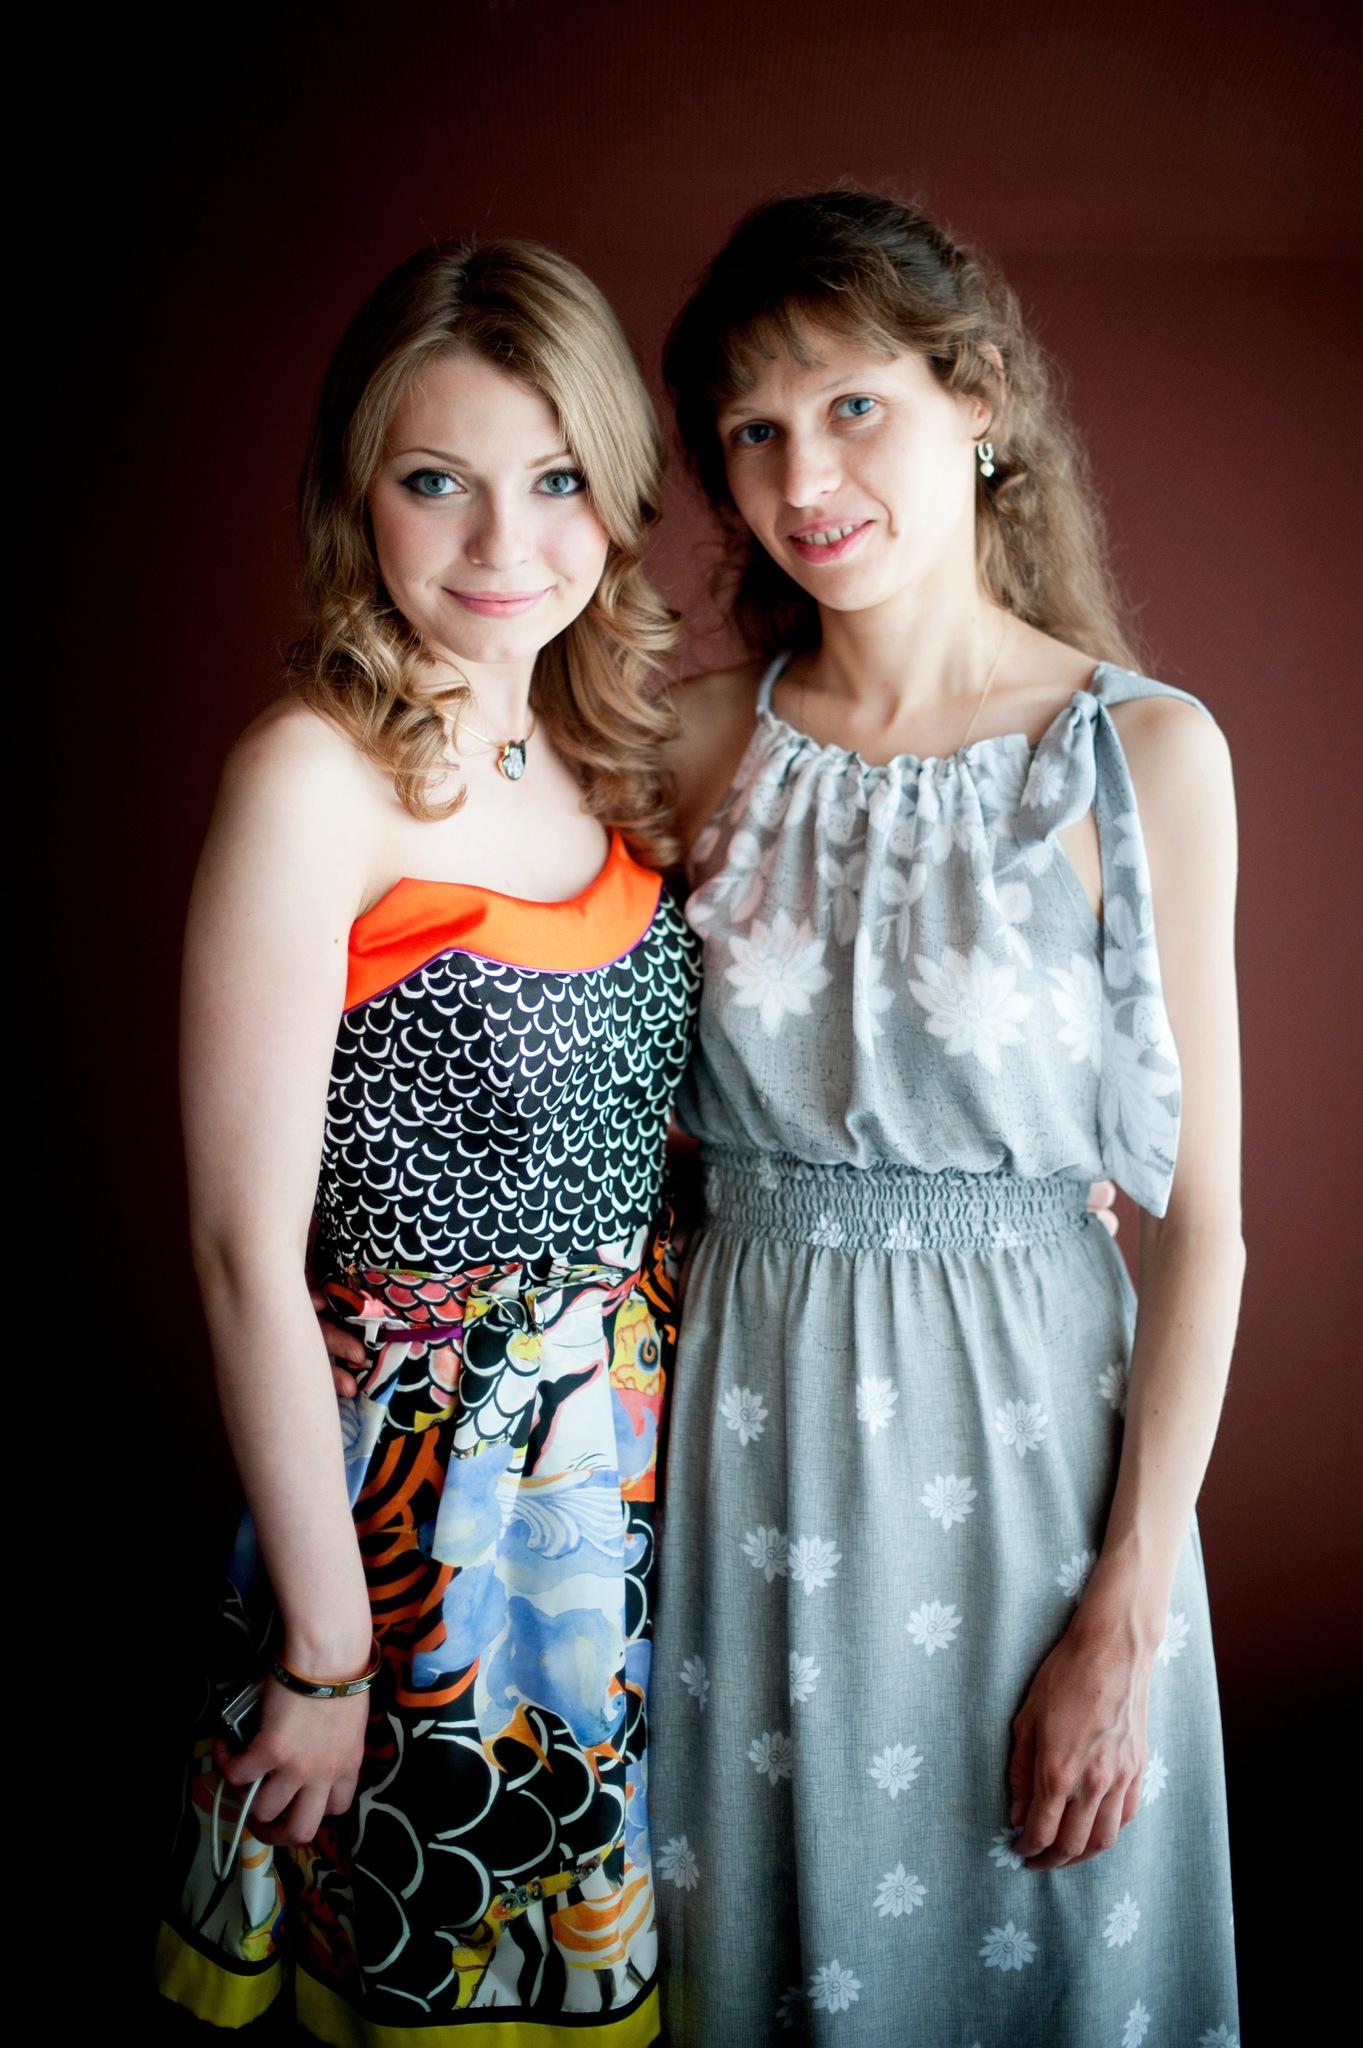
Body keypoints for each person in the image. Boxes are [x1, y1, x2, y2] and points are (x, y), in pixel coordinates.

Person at [648, 189, 1242, 2045]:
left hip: (1036, 1467)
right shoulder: (691, 742)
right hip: (747, 1450)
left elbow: (1204, 1225)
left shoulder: (1141, 752)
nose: (803, 476)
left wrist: (1125, 1609)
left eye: (852, 406)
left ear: (975, 399)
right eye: (752, 433)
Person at [156, 238, 699, 2044]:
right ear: (355, 493)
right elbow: (241, 1252)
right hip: (419, 1523)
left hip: (628, 1488)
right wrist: (331, 1647)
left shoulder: (609, 755)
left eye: (554, 481)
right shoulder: (311, 778)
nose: (502, 544)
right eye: (437, 481)